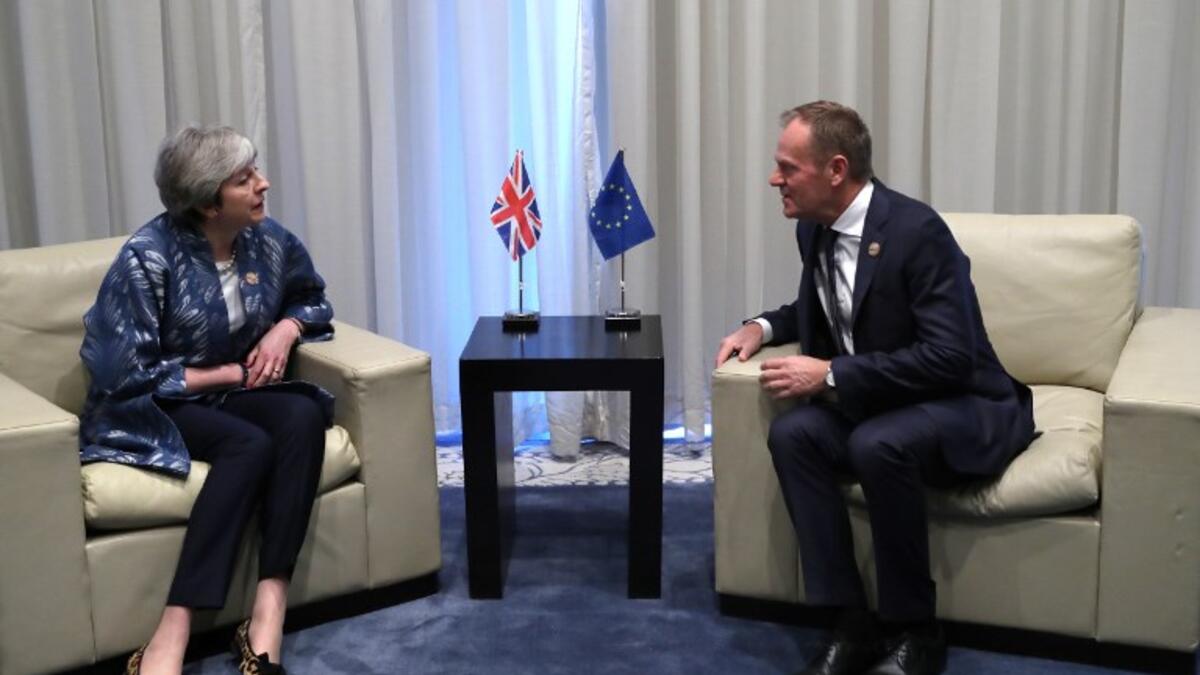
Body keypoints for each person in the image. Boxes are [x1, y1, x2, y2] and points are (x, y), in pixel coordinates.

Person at [715, 101, 1035, 675]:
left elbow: (951, 356)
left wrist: (832, 374)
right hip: (889, 403)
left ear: (836, 170)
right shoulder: (814, 231)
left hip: (965, 404)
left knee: (877, 444)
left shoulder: (917, 233)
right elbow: (821, 307)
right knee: (795, 434)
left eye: (787, 167)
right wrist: (761, 327)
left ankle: (916, 629)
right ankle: (850, 621)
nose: (774, 179)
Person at [79, 125, 335, 675]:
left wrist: (287, 327)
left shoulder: (269, 242)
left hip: (230, 392)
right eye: (244, 179)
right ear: (206, 201)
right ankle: (172, 630)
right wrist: (225, 372)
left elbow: (313, 298)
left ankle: (269, 607)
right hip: (154, 408)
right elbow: (121, 375)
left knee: (302, 413)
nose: (263, 184)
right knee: (248, 445)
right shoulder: (147, 259)